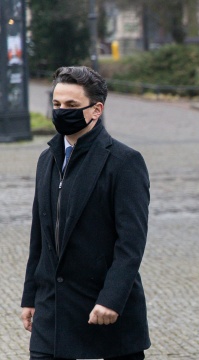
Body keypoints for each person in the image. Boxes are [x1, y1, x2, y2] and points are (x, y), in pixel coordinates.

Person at [20, 66, 151, 360]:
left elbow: (131, 243)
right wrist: (30, 297)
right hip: (52, 313)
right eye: (56, 104)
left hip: (104, 313)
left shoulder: (124, 162)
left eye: (71, 105)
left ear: (96, 110)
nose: (61, 111)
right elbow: (39, 235)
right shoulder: (47, 159)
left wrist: (112, 300)